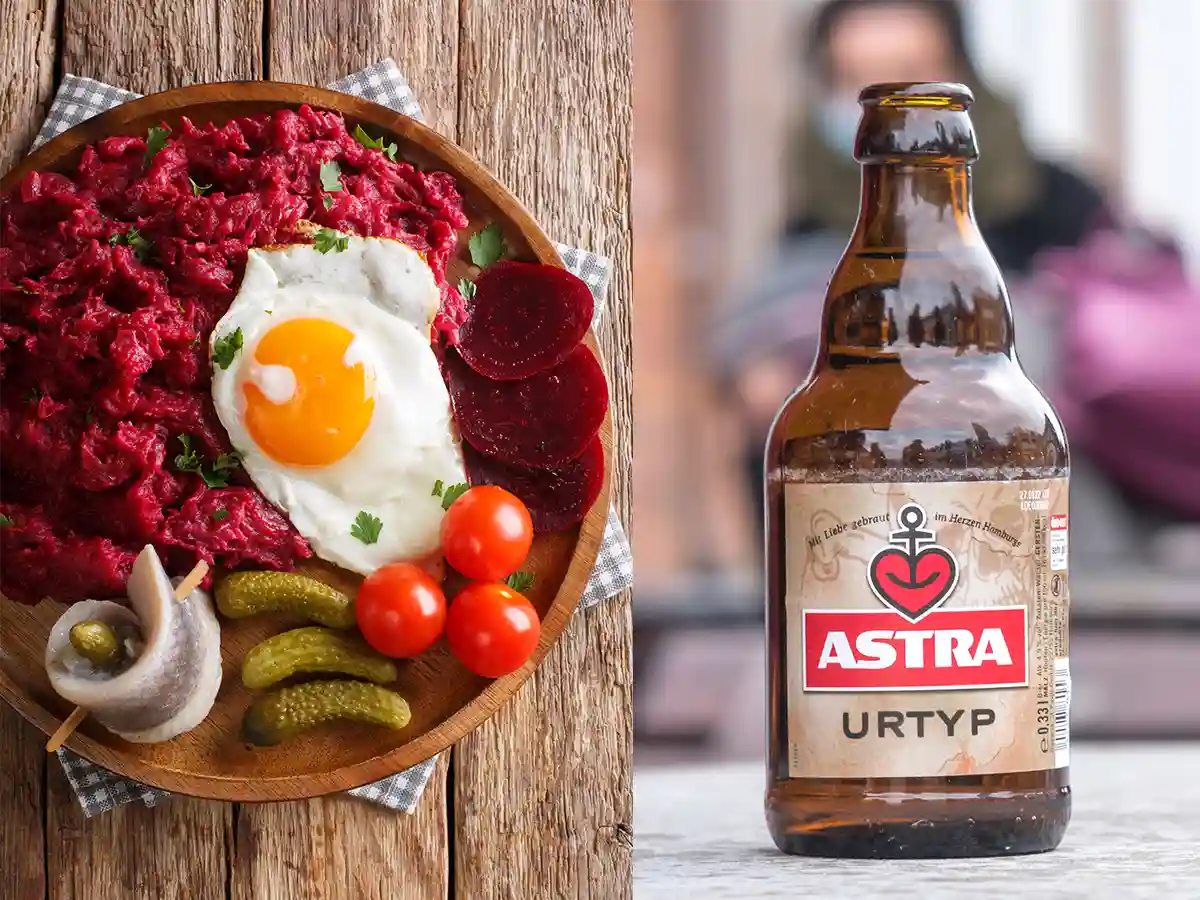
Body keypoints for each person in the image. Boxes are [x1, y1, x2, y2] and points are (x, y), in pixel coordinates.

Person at [714, 0, 1112, 544]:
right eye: (853, 80)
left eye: (909, 73)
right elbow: (748, 336)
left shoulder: (1057, 201)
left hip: (1064, 540)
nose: (888, 102)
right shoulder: (816, 221)